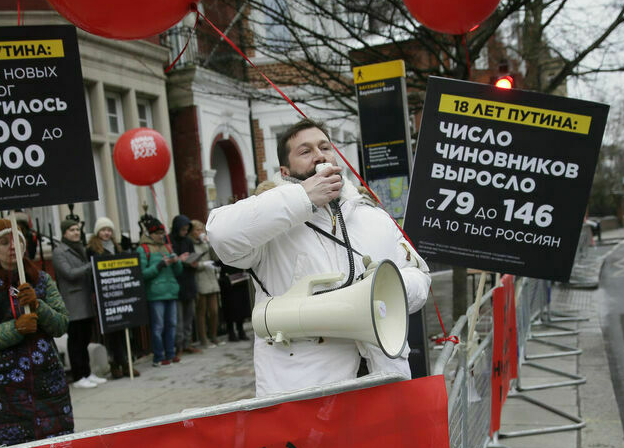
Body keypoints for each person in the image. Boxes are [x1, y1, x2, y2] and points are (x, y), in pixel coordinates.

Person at [206, 118, 431, 397]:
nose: (319, 155)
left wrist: (385, 290)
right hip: (305, 389)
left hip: (383, 379)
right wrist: (304, 198)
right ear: (285, 170)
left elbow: (420, 276)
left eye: (324, 146)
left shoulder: (372, 216)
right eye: (305, 151)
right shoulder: (269, 224)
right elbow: (220, 234)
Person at [0, 219, 73, 446]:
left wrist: (39, 306)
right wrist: (15, 328)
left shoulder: (42, 280)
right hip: (9, 391)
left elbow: (62, 324)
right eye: (4, 242)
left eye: (16, 240)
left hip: (49, 384)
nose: (11, 247)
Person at [51, 216, 106, 389]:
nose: (76, 232)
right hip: (73, 302)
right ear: (65, 233)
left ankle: (87, 372)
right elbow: (69, 273)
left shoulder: (79, 247)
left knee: (85, 339)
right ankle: (78, 376)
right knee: (75, 340)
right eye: (72, 230)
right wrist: (90, 266)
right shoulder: (60, 251)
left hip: (85, 300)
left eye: (77, 229)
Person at [87, 216, 140, 379]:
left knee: (124, 330)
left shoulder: (117, 246)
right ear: (98, 232)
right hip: (105, 295)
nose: (106, 233)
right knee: (111, 331)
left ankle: (126, 363)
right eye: (103, 230)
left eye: (109, 230)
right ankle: (114, 364)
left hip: (120, 292)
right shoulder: (92, 249)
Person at [136, 214, 181, 367]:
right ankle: (158, 356)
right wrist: (159, 265)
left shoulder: (167, 246)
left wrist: (176, 262)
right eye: (157, 233)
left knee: (172, 324)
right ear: (150, 234)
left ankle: (171, 353)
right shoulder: (143, 249)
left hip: (171, 291)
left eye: (162, 233)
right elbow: (142, 274)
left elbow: (178, 272)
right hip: (155, 294)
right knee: (158, 327)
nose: (161, 236)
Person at [169, 214, 200, 356]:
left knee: (189, 316)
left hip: (189, 281)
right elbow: (171, 260)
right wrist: (180, 260)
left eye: (187, 229)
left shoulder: (188, 241)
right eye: (183, 229)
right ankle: (178, 346)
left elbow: (193, 255)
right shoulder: (169, 240)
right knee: (178, 319)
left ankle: (188, 342)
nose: (185, 232)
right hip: (177, 283)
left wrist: (193, 262)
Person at [190, 220, 221, 348]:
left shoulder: (205, 243)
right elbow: (192, 263)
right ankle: (204, 339)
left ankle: (214, 335)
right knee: (201, 311)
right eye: (197, 230)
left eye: (202, 229)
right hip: (200, 278)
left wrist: (211, 245)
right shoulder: (191, 245)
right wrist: (203, 265)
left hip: (211, 278)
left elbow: (215, 258)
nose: (200, 232)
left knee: (214, 310)